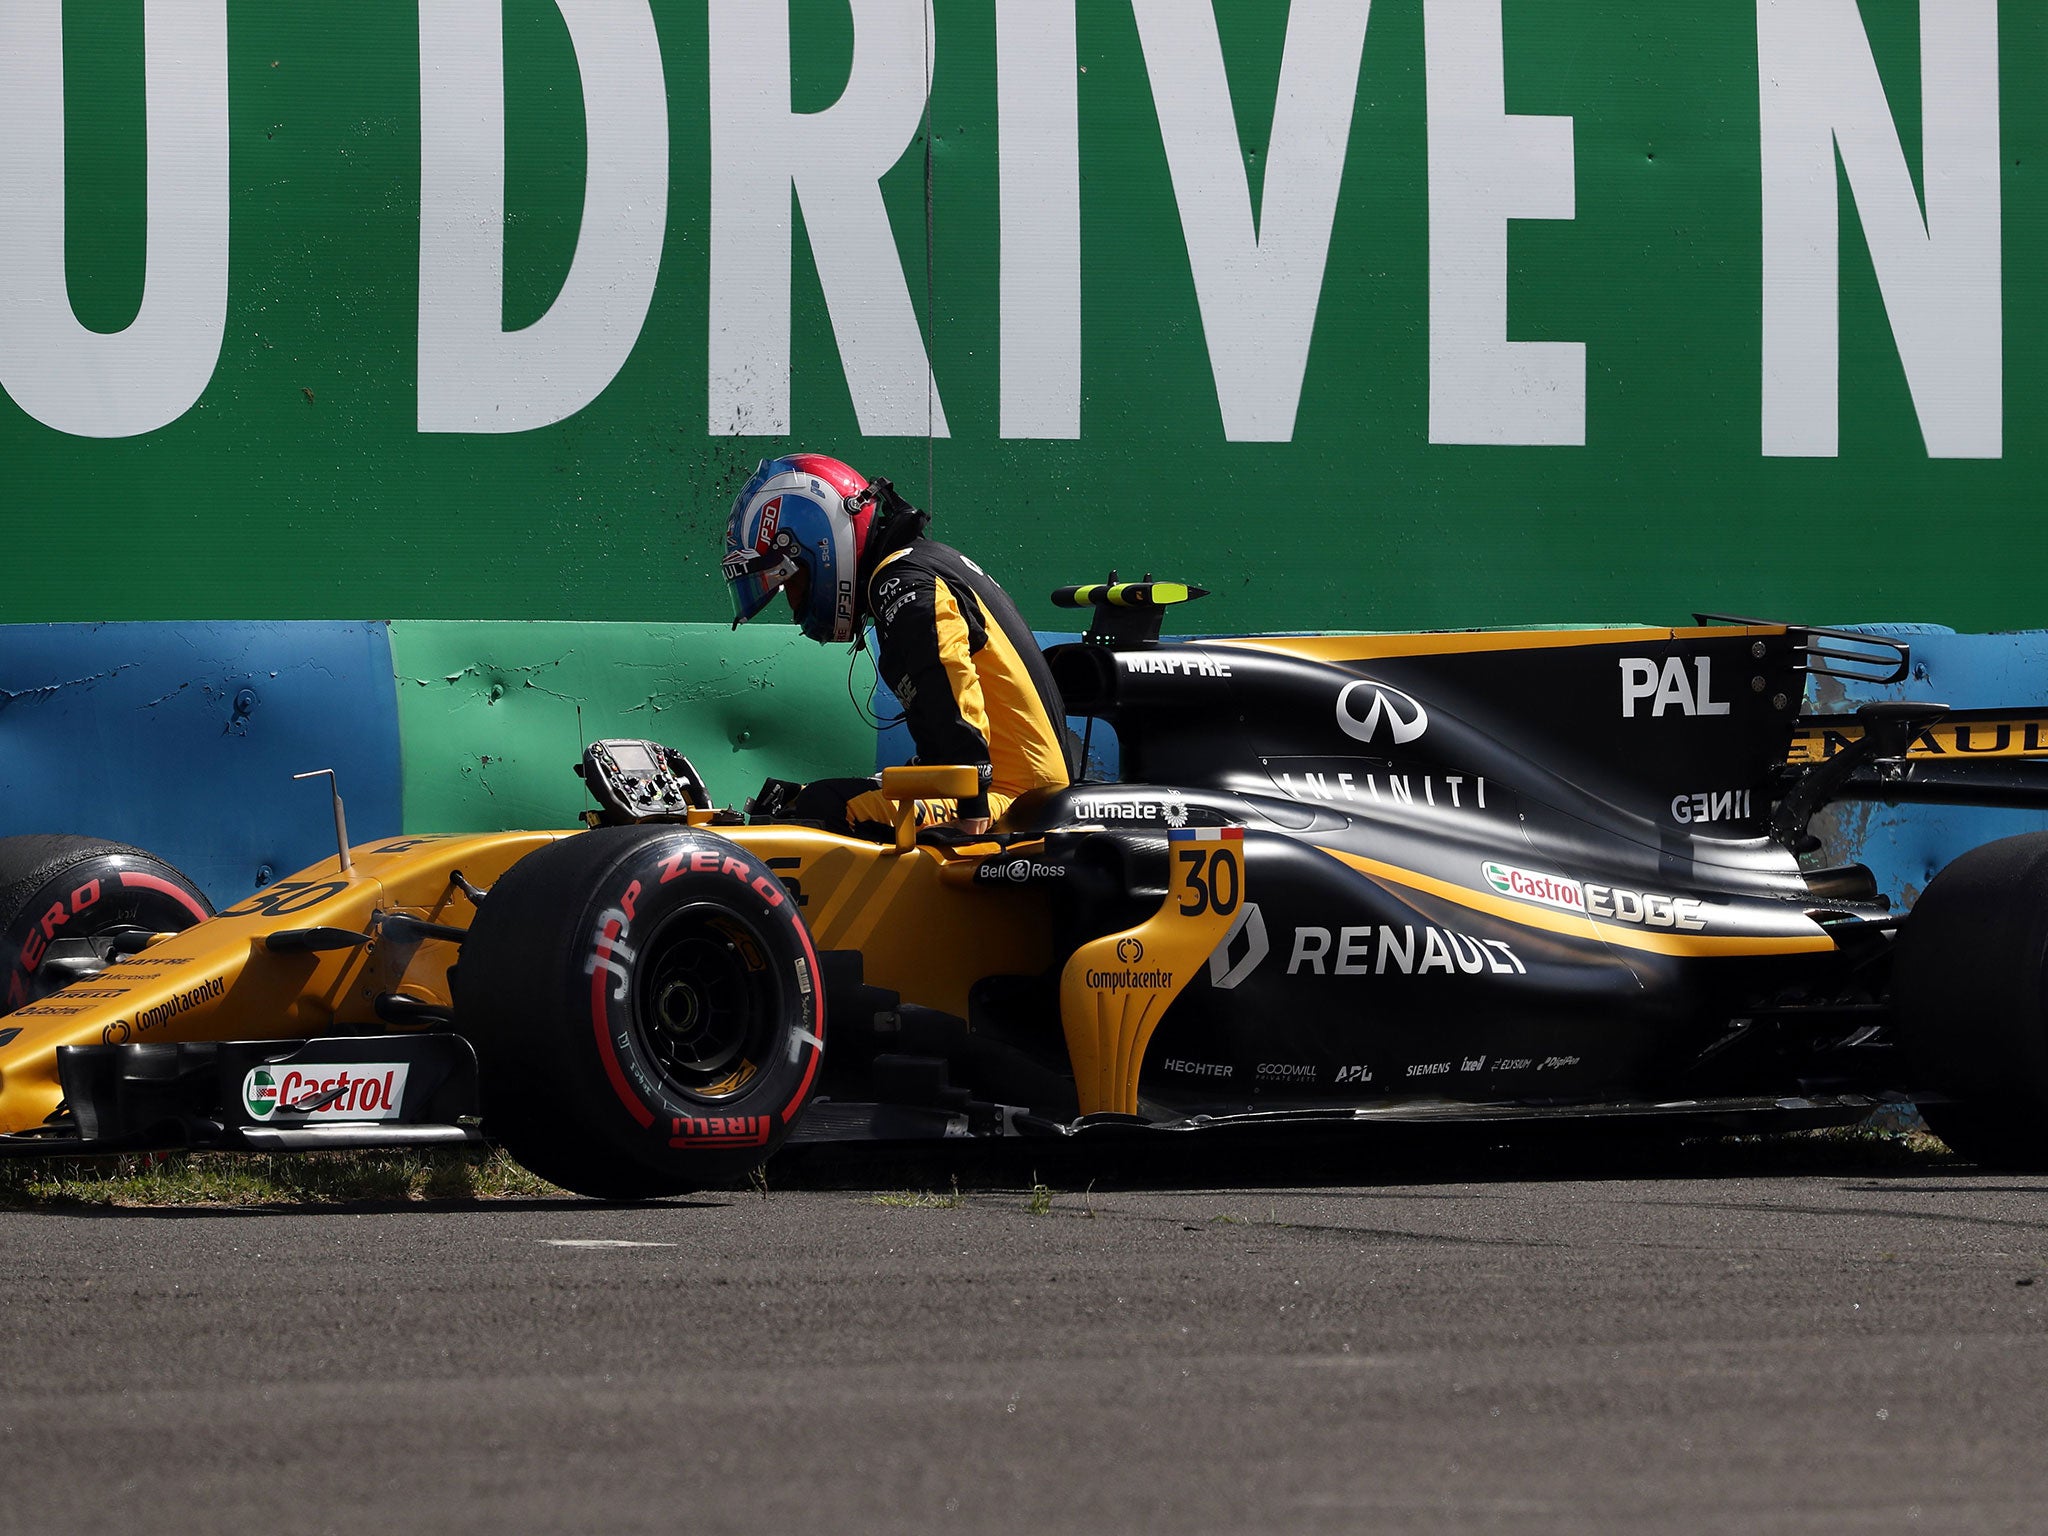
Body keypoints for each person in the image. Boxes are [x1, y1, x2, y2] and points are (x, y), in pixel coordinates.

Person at [722, 453, 1070, 837]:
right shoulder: (917, 566)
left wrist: (971, 806)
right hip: (1003, 787)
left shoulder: (901, 581)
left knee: (822, 810)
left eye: (793, 582)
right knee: (789, 802)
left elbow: (949, 681)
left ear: (819, 544)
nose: (794, 604)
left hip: (1011, 799)